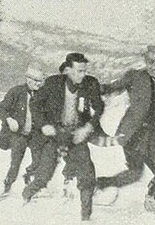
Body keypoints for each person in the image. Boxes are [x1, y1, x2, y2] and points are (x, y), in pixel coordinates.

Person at [22, 52, 104, 221]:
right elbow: (35, 105)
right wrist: (44, 125)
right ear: (67, 70)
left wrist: (88, 127)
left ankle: (86, 217)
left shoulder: (90, 84)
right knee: (44, 174)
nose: (83, 75)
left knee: (87, 173)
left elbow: (99, 108)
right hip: (55, 134)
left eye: (84, 71)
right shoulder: (53, 83)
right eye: (79, 71)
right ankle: (25, 197)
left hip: (76, 135)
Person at [96, 45, 155, 220]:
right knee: (135, 173)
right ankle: (100, 183)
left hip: (154, 135)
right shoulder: (135, 76)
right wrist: (92, 87)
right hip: (134, 134)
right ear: (145, 61)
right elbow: (112, 88)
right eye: (151, 62)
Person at [0, 64, 45, 194]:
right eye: (36, 81)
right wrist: (9, 119)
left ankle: (29, 175)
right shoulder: (16, 92)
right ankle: (8, 184)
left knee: (39, 159)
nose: (39, 84)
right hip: (18, 134)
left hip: (34, 134)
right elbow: (1, 109)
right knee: (16, 161)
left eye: (41, 81)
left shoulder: (42, 95)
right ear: (28, 79)